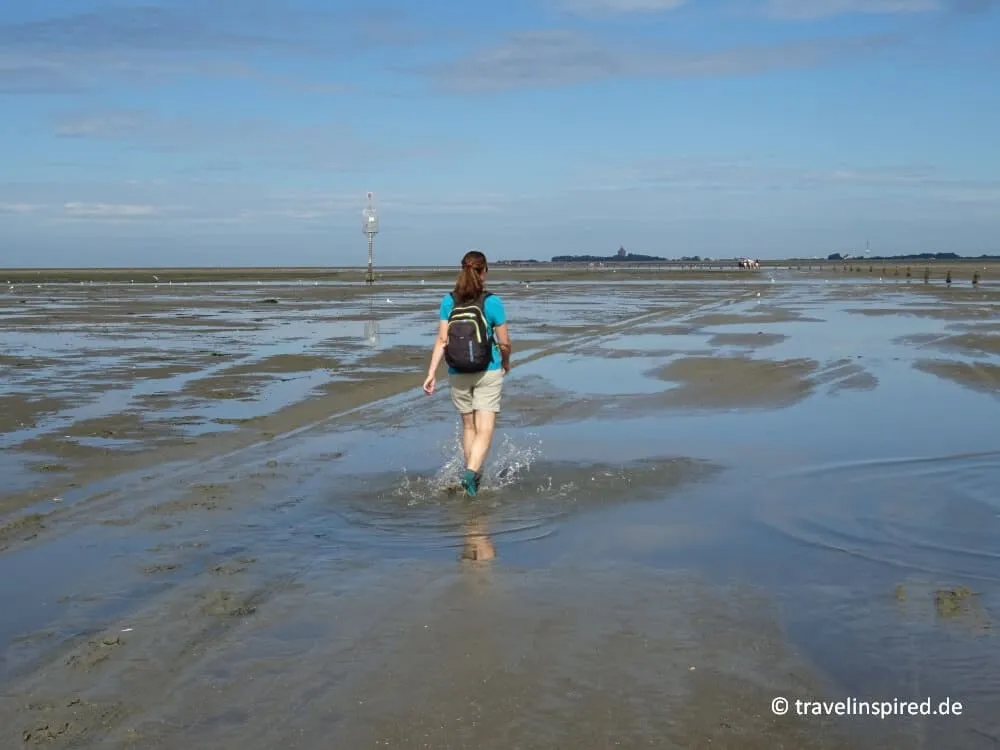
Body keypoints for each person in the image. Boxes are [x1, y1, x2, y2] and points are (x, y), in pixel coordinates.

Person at [423, 250, 511, 497]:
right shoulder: (492, 302)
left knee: (468, 426)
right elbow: (504, 342)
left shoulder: (448, 301)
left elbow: (442, 340)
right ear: (484, 272)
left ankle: (472, 475)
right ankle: (471, 474)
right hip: (488, 370)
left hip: (457, 371)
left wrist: (431, 373)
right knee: (485, 428)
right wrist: (506, 362)